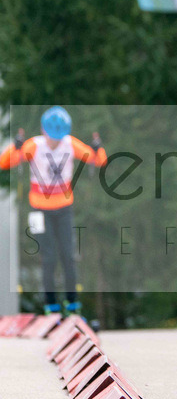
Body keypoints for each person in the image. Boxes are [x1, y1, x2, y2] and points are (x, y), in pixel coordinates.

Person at [0, 106, 107, 315]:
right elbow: (4, 163)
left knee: (68, 256)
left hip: (64, 208)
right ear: (43, 131)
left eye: (57, 138)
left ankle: (72, 302)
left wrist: (98, 148)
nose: (54, 142)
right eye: (51, 138)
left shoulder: (70, 143)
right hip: (39, 209)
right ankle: (51, 304)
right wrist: (16, 147)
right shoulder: (34, 146)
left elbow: (99, 161)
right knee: (48, 257)